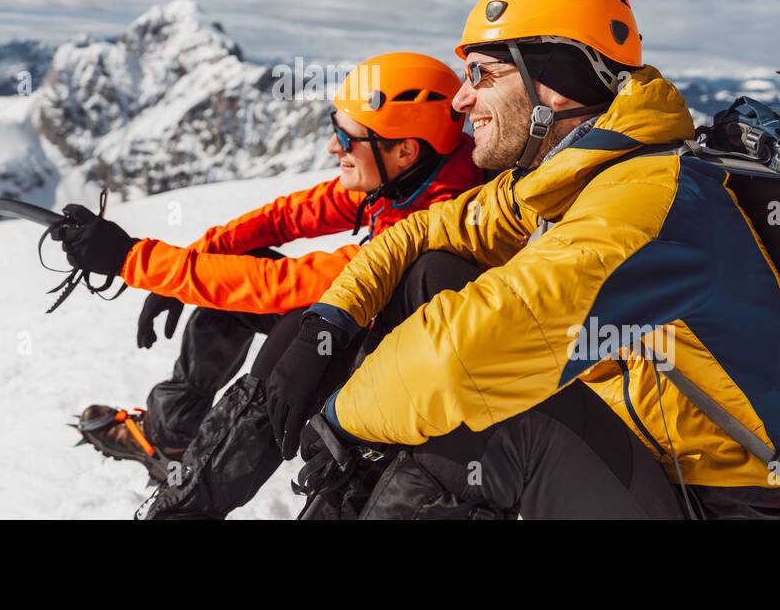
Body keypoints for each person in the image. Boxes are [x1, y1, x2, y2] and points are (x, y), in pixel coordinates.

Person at [271, 0, 780, 520]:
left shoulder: (648, 201)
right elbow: (422, 231)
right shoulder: (567, 180)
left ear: (551, 88)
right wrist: (330, 321)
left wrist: (342, 418)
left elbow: (460, 358)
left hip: (724, 505)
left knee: (488, 424)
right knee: (434, 273)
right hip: (641, 461)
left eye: (481, 74)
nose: (460, 101)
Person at [56, 52, 481, 482]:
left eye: (346, 137)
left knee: (291, 316)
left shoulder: (434, 218)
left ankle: (201, 483)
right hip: (365, 331)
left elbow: (279, 285)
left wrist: (133, 259)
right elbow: (287, 217)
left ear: (405, 150)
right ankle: (170, 435)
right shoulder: (414, 174)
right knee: (234, 274)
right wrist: (199, 257)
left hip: (385, 371)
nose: (333, 147)